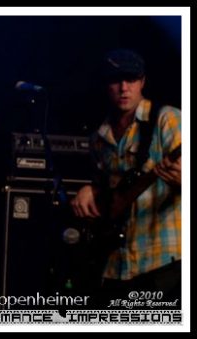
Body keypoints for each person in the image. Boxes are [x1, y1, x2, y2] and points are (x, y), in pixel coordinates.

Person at [69, 49, 181, 307]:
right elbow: (105, 191)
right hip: (113, 265)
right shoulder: (99, 138)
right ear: (105, 85)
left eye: (131, 79)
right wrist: (90, 190)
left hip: (162, 263)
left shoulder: (169, 119)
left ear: (142, 82)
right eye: (116, 80)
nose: (123, 88)